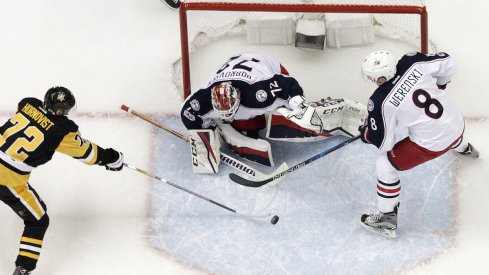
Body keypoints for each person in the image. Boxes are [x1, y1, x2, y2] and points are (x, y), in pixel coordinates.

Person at [0, 87, 124, 275]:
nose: (64, 114)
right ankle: (23, 269)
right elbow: (87, 153)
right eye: (63, 110)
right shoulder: (62, 130)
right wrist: (111, 158)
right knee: (38, 221)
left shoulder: (28, 103)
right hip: (8, 178)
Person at [358, 51, 479, 238]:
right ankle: (465, 148)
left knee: (384, 165)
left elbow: (385, 143)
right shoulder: (412, 62)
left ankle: (386, 218)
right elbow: (449, 63)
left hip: (433, 143)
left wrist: (367, 134)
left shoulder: (381, 101)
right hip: (457, 122)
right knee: (444, 127)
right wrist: (440, 84)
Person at [180, 52, 366, 173]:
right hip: (232, 66)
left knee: (283, 111)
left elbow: (288, 84)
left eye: (231, 110)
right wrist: (209, 129)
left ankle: (322, 113)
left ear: (238, 98)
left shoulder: (259, 93)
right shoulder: (203, 100)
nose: (228, 115)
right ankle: (242, 123)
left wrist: (299, 106)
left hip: (266, 66)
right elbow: (187, 113)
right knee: (249, 126)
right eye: (223, 112)